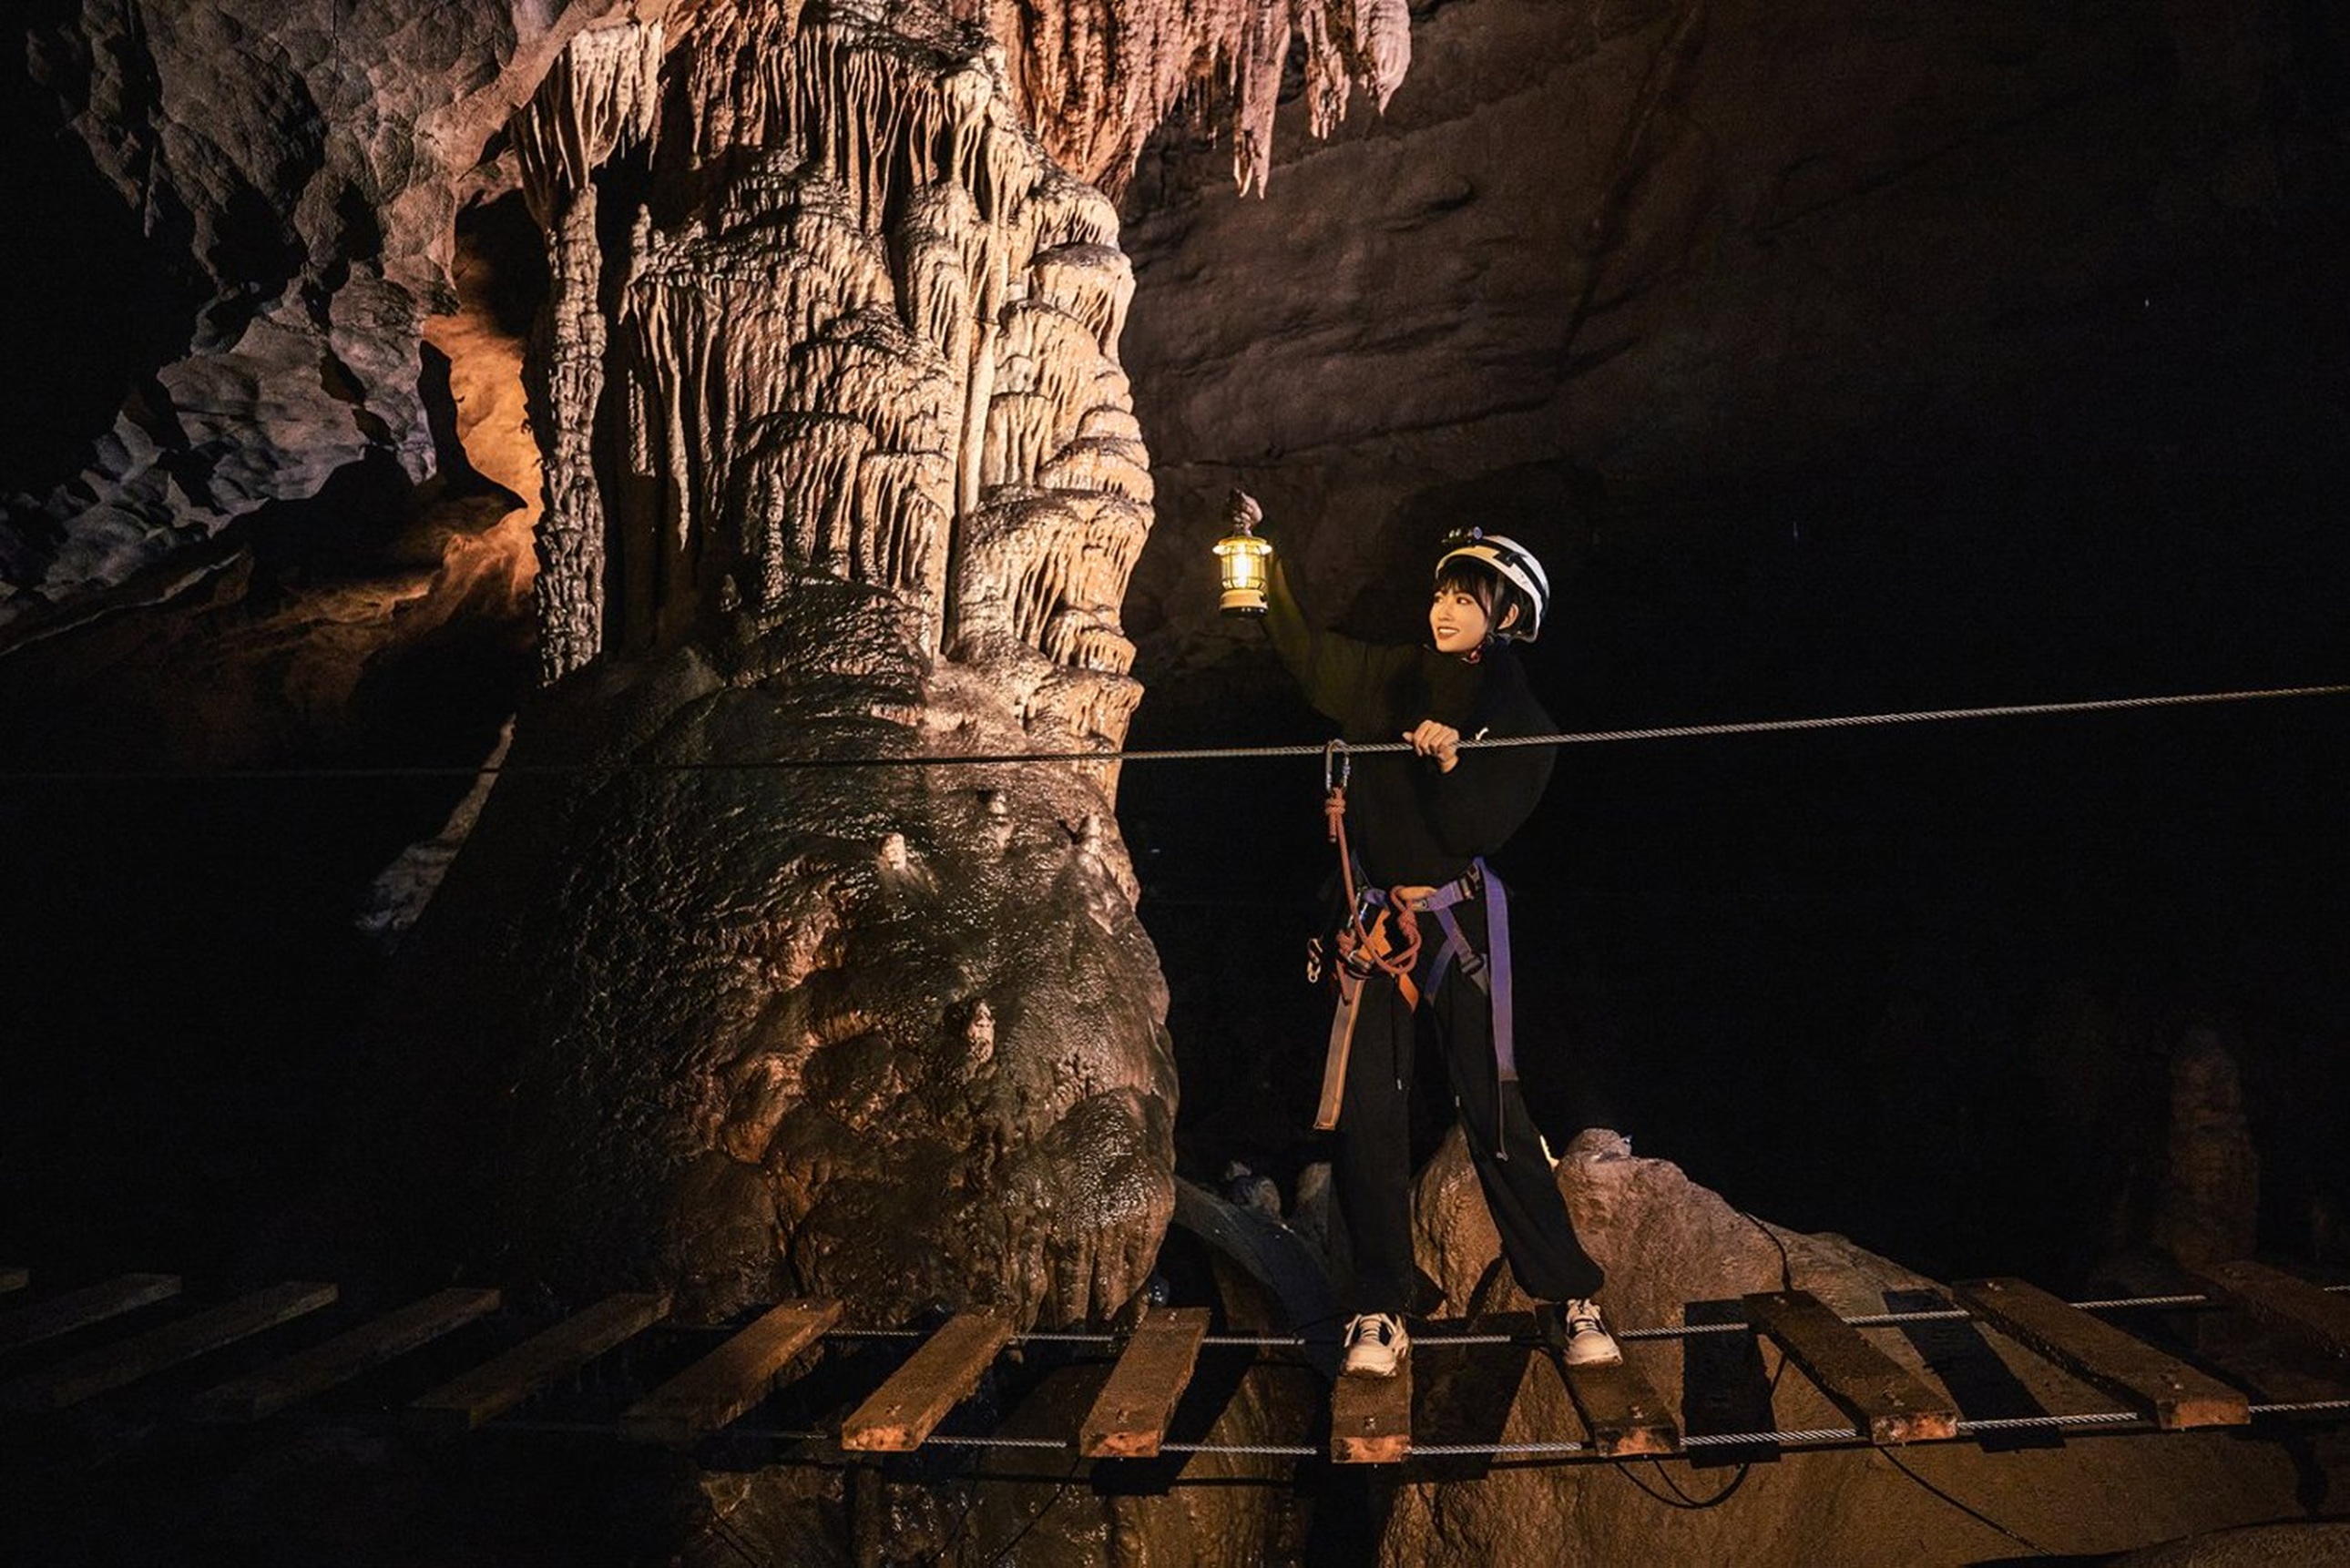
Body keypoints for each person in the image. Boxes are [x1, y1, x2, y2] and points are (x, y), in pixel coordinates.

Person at [1260, 520, 1619, 1378]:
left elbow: (1471, 826)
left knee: (1495, 1111)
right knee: (1369, 1120)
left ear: (1504, 615)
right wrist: (1264, 573)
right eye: (1442, 593)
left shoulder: (1522, 722)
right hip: (1378, 929)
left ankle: (1569, 1295)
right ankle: (1381, 1309)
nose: (1445, 609)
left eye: (1467, 598)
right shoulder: (1389, 680)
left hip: (1458, 927)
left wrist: (1453, 767)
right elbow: (1314, 663)